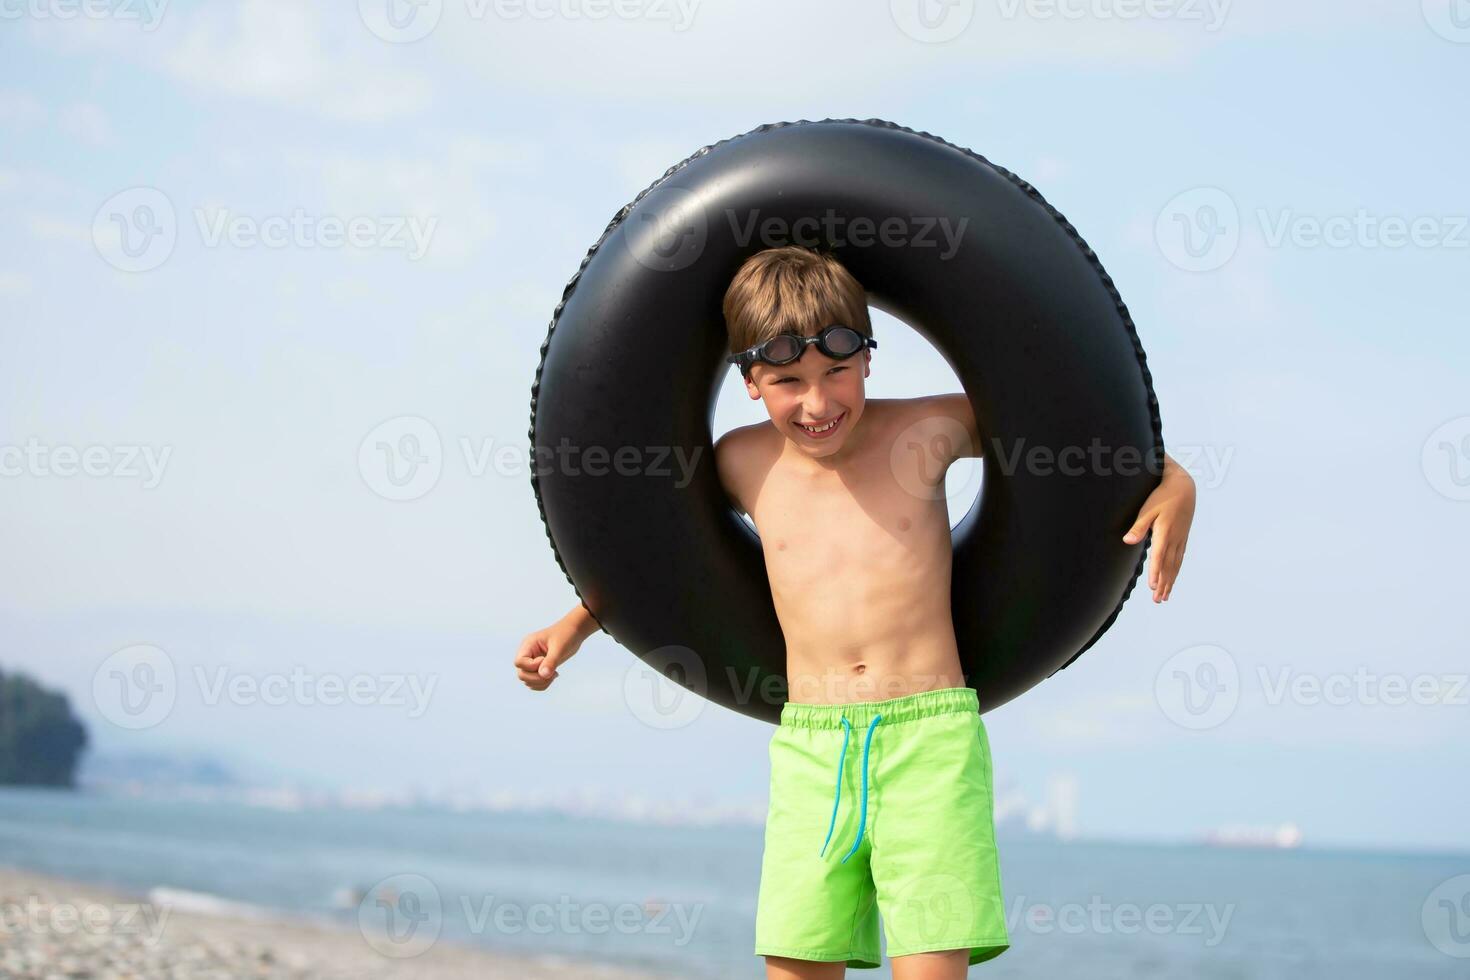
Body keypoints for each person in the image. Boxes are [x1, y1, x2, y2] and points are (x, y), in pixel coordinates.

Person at [514, 245, 1197, 978]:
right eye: (788, 382)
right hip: (813, 750)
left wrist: (1177, 481)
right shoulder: (740, 462)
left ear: (868, 359)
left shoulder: (926, 431)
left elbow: (1076, 435)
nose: (819, 403)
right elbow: (660, 559)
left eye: (838, 372)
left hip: (930, 740)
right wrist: (576, 624)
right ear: (749, 382)